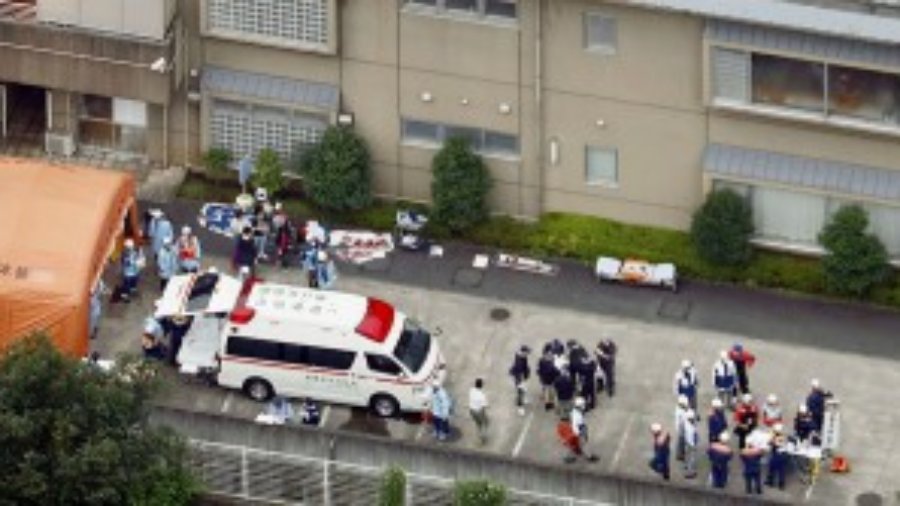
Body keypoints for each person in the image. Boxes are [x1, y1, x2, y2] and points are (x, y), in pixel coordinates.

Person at [509, 345, 531, 416]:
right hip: (519, 378)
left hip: (522, 377)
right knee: (520, 392)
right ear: (523, 352)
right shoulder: (519, 361)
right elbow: (518, 373)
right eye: (527, 352)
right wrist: (520, 382)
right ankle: (520, 407)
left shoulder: (522, 357)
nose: (528, 354)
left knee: (523, 391)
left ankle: (523, 400)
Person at [766, 423, 788, 490]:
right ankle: (772, 482)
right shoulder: (781, 436)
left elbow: (772, 443)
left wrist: (772, 439)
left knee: (776, 469)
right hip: (779, 454)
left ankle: (777, 483)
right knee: (774, 468)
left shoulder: (780, 437)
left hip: (779, 454)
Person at [468, 378, 489, 445]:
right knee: (485, 423)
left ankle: (479, 436)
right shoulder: (482, 395)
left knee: (478, 424)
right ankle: (481, 438)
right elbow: (484, 406)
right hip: (478, 411)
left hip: (471, 410)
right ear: (481, 385)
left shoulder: (471, 390)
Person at [537, 347, 559, 411]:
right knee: (551, 391)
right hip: (550, 379)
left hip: (544, 378)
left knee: (546, 390)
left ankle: (547, 404)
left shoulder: (541, 360)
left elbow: (539, 369)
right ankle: (550, 403)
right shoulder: (550, 365)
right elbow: (555, 371)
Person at [682, 410, 699, 479]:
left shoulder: (687, 421)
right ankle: (690, 473)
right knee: (692, 458)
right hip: (690, 443)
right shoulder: (689, 428)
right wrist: (693, 446)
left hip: (687, 441)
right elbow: (690, 439)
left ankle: (686, 465)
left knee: (687, 454)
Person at [674, 394, 690, 462]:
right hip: (681, 427)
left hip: (683, 426)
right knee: (681, 441)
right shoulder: (680, 411)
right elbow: (682, 420)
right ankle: (680, 455)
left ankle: (681, 454)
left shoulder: (681, 409)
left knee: (682, 441)